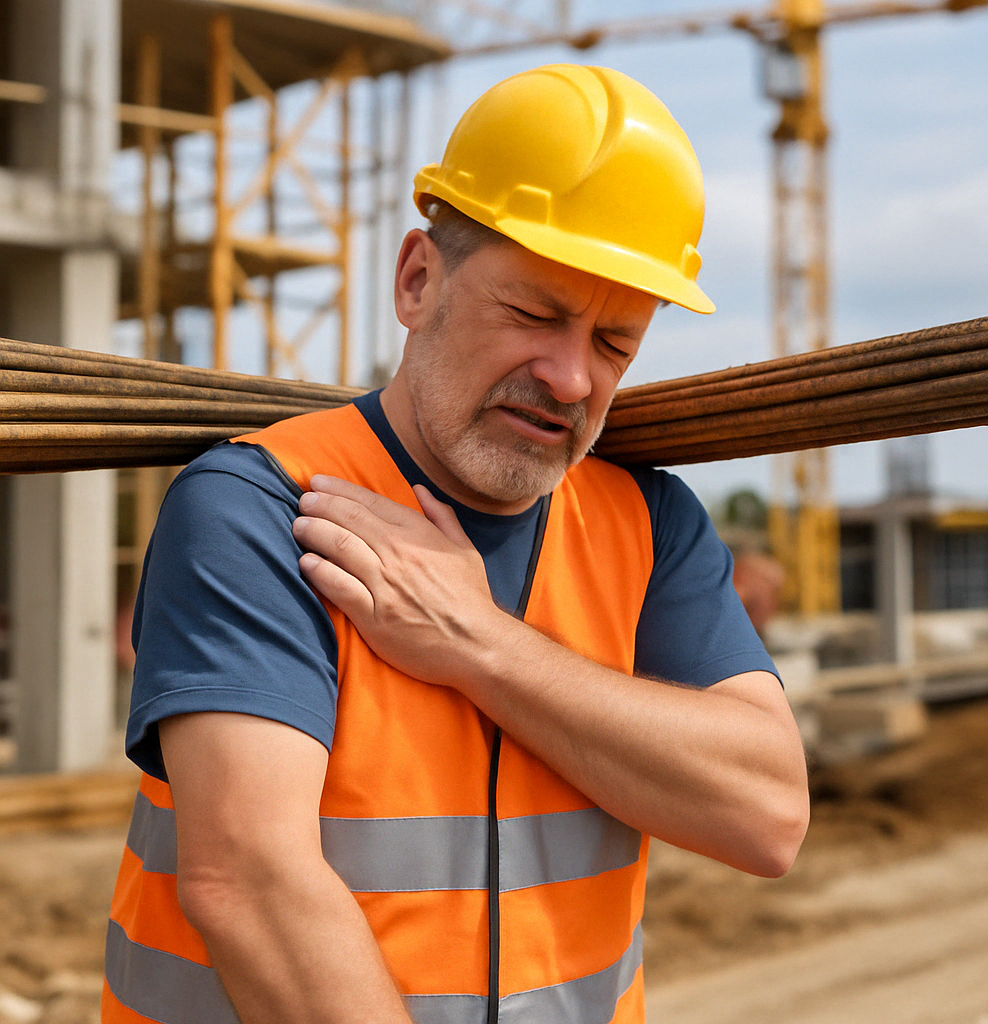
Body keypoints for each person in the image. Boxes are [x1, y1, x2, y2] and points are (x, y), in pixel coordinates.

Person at [103, 64, 809, 1024]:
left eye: (615, 343)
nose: (571, 378)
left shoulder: (650, 525)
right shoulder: (259, 507)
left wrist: (481, 644)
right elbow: (251, 885)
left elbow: (768, 818)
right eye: (534, 314)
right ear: (417, 280)